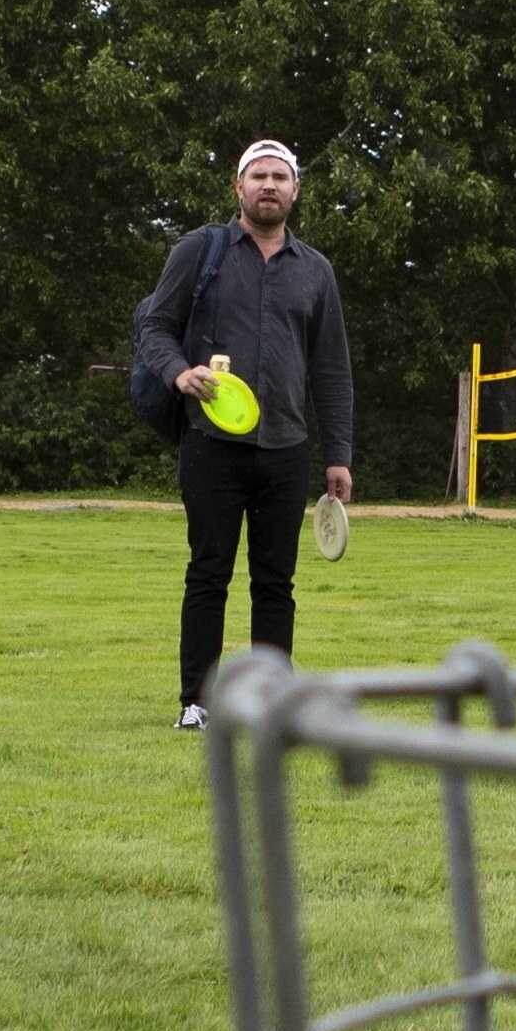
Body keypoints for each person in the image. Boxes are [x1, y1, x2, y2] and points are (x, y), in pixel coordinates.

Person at [134, 137, 354, 729]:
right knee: (209, 572)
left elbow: (331, 369)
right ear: (238, 187)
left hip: (286, 448)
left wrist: (339, 455)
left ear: (295, 191)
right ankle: (197, 703)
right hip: (211, 444)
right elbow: (155, 327)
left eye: (279, 178)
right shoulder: (199, 251)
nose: (268, 186)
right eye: (257, 176)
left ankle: (272, 704)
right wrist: (180, 372)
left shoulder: (316, 271)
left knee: (275, 583)